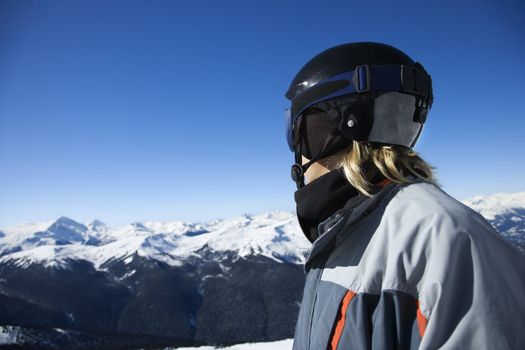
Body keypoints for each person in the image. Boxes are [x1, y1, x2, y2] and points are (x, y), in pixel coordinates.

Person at [284, 42, 525, 350]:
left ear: (326, 130)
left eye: (297, 130)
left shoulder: (443, 238)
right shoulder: (350, 231)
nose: (296, 149)